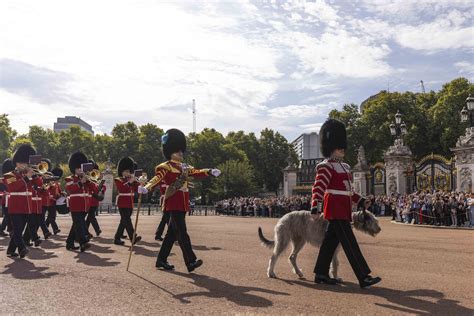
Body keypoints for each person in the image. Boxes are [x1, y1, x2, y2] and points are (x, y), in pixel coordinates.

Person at [311, 119, 381, 288]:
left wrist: (361, 200)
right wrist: (315, 207)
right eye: (338, 146)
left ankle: (321, 273)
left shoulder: (345, 166)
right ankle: (363, 276)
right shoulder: (326, 166)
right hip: (334, 208)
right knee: (350, 242)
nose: (342, 149)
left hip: (343, 208)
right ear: (330, 147)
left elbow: (348, 191)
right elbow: (319, 188)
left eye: (342, 146)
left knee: (330, 242)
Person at [144, 128, 221, 272]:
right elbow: (157, 179)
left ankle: (161, 259)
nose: (181, 153)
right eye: (177, 151)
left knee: (171, 234)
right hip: (173, 200)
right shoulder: (165, 166)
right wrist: (147, 187)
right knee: (182, 232)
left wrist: (209, 171)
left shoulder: (185, 167)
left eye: (181, 151)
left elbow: (196, 172)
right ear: (170, 151)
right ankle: (190, 261)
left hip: (182, 201)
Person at [4, 144, 42, 258]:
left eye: (26, 163)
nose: (25, 165)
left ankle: (11, 250)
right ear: (17, 163)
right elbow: (14, 187)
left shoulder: (28, 174)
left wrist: (34, 176)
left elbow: (39, 184)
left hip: (27, 207)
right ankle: (22, 248)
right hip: (15, 207)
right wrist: (27, 178)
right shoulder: (9, 175)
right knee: (17, 228)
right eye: (23, 163)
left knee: (19, 230)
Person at [65, 152, 93, 252]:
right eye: (78, 168)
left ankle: (69, 242)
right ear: (74, 169)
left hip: (85, 205)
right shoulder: (70, 179)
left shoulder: (86, 178)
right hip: (75, 205)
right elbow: (70, 189)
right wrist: (80, 183)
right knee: (80, 224)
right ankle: (83, 242)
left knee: (76, 224)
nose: (80, 170)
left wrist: (89, 181)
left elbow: (93, 188)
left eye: (81, 168)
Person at [114, 157, 142, 245]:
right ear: (121, 171)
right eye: (125, 171)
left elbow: (137, 188)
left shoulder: (130, 180)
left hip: (130, 203)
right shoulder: (118, 180)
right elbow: (122, 188)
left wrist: (140, 182)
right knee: (127, 220)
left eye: (129, 171)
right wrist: (130, 182)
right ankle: (132, 237)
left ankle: (117, 238)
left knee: (124, 221)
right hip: (122, 203)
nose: (127, 173)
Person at [86, 159, 104, 237]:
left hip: (94, 201)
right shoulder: (89, 179)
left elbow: (103, 188)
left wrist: (101, 186)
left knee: (90, 217)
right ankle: (97, 229)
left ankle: (85, 231)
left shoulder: (97, 181)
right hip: (89, 200)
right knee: (91, 216)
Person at [45, 167, 63, 234]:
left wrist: (62, 194)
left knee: (51, 216)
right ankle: (55, 229)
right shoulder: (49, 183)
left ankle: (46, 229)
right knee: (51, 216)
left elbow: (59, 192)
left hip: (55, 201)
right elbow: (47, 192)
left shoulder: (57, 184)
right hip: (50, 201)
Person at [0, 159, 15, 236]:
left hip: (11, 200)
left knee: (8, 216)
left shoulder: (10, 178)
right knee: (8, 216)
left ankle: (4, 229)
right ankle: (10, 230)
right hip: (4, 200)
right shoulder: (3, 180)